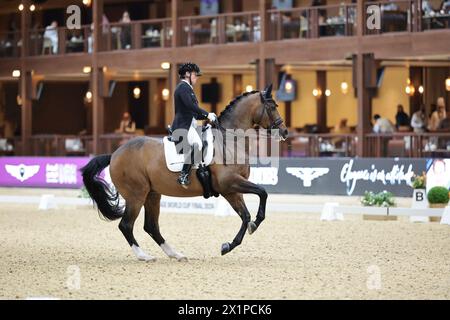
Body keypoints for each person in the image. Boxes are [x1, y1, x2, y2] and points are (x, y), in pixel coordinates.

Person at [170, 62, 217, 187]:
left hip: (190, 125)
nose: (196, 78)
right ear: (187, 74)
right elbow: (191, 106)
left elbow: (194, 113)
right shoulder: (182, 88)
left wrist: (209, 117)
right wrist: (207, 114)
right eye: (195, 75)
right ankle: (183, 175)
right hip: (182, 126)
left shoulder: (188, 89)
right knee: (198, 144)